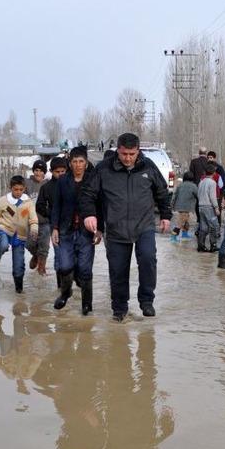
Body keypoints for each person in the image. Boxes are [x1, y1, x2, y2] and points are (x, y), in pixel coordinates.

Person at [79, 132, 172, 322]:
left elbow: (162, 191)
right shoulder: (104, 169)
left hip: (144, 225)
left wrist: (165, 215)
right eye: (123, 154)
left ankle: (146, 301)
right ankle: (120, 308)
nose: (128, 158)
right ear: (117, 151)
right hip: (115, 227)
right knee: (118, 269)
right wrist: (90, 215)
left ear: (138, 151)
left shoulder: (148, 167)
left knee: (148, 260)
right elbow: (88, 194)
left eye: (131, 154)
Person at [51, 146, 102, 315]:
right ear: (70, 163)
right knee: (64, 266)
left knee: (85, 269)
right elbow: (56, 206)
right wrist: (54, 228)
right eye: (74, 162)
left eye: (81, 161)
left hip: (86, 232)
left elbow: (100, 206)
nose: (78, 165)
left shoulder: (94, 180)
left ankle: (87, 305)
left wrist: (100, 229)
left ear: (86, 163)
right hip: (66, 230)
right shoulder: (62, 181)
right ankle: (65, 293)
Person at [0, 175, 39, 294]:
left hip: (20, 235)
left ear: (24, 188)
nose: (18, 192)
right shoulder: (3, 201)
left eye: (21, 189)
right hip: (5, 229)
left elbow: (33, 219)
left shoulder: (28, 203)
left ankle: (19, 291)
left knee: (19, 266)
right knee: (3, 245)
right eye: (15, 189)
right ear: (10, 188)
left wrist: (34, 230)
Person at [34, 157, 67, 277]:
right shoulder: (46, 188)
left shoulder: (71, 184)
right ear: (51, 171)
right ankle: (61, 285)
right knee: (59, 254)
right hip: (55, 227)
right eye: (57, 172)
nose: (60, 174)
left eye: (63, 171)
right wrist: (52, 214)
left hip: (71, 225)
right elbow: (40, 206)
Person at [25, 159, 48, 272]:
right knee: (29, 244)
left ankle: (41, 271)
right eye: (36, 170)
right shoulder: (27, 183)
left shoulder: (48, 184)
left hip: (45, 221)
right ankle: (35, 255)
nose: (38, 173)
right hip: (30, 221)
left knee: (44, 247)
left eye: (41, 171)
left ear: (45, 172)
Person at [197, 162, 220, 252]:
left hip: (201, 207)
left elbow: (198, 194)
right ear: (214, 172)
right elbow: (212, 196)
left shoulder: (201, 182)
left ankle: (201, 245)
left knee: (203, 227)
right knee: (214, 226)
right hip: (209, 207)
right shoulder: (212, 182)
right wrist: (216, 207)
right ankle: (213, 245)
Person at [170, 171, 198, 242]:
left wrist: (172, 204)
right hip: (187, 207)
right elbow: (198, 195)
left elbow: (174, 195)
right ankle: (173, 236)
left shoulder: (180, 185)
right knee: (180, 222)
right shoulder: (194, 186)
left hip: (179, 206)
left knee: (186, 221)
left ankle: (185, 233)